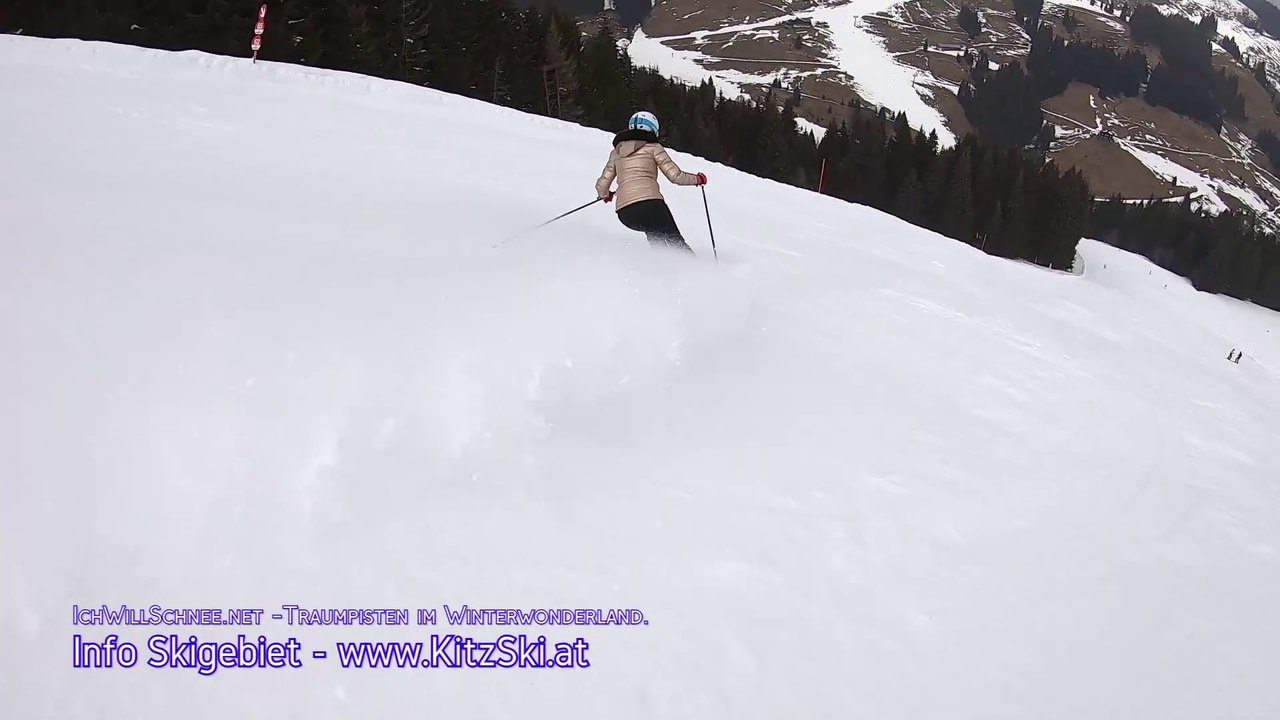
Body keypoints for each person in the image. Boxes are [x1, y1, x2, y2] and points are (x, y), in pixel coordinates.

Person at [595, 111, 707, 254]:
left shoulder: (617, 152)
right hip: (651, 205)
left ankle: (658, 268)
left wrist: (605, 195)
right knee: (675, 240)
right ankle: (694, 269)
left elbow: (602, 185)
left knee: (654, 235)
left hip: (626, 213)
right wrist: (697, 179)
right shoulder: (653, 147)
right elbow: (675, 176)